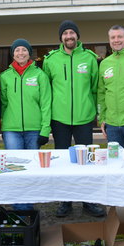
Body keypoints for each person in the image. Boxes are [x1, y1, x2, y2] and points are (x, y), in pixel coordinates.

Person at [43, 20, 105, 218]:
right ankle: (65, 201)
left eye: (72, 33)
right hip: (59, 119)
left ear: (77, 36)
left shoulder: (89, 58)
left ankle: (88, 200)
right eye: (65, 33)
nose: (69, 36)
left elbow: (96, 89)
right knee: (62, 161)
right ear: (60, 37)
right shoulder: (50, 60)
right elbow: (45, 91)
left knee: (86, 162)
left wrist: (97, 113)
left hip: (84, 118)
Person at [0, 38, 51, 211]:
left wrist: (45, 129)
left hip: (34, 130)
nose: (20, 53)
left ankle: (28, 205)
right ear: (12, 54)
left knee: (32, 169)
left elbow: (46, 104)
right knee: (15, 169)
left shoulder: (40, 75)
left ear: (29, 53)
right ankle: (19, 207)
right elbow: (4, 103)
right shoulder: (5, 77)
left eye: (24, 50)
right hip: (12, 130)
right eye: (17, 50)